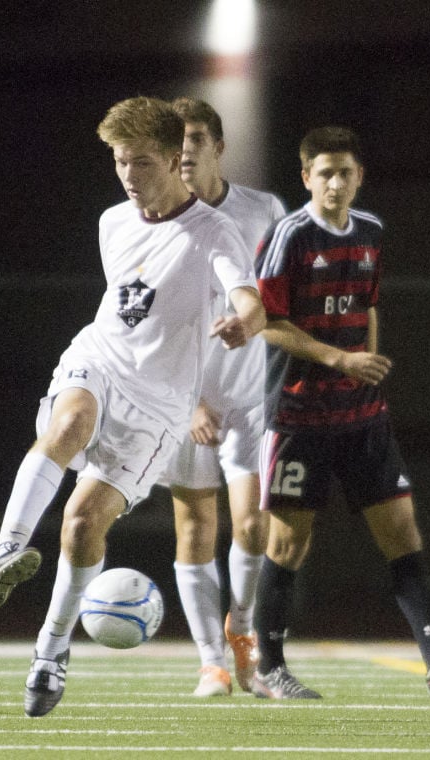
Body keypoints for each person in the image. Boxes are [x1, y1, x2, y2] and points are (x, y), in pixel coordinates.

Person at [0, 96, 267, 717]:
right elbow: (126, 306)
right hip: (100, 360)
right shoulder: (113, 221)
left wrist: (244, 321)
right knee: (70, 422)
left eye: (140, 163)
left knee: (83, 525)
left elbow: (249, 297)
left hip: (161, 407)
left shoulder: (216, 232)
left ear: (173, 158)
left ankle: (51, 651)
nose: (128, 176)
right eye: (118, 162)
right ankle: (9, 546)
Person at [251, 126, 430, 700]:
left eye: (346, 172)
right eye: (325, 173)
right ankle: (269, 667)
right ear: (306, 177)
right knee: (288, 546)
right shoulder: (288, 236)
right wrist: (338, 357)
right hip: (298, 418)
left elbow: (369, 304)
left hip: (363, 416)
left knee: (403, 536)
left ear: (360, 176)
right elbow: (268, 319)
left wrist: (368, 362)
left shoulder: (372, 232)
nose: (336, 183)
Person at [159, 97, 285, 697]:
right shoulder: (152, 218)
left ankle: (242, 629)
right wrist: (187, 401)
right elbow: (143, 323)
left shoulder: (263, 211)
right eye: (176, 141)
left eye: (196, 140)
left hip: (253, 395)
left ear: (219, 148)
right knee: (194, 529)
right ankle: (211, 661)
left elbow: (278, 303)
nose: (184, 151)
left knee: (253, 524)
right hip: (187, 401)